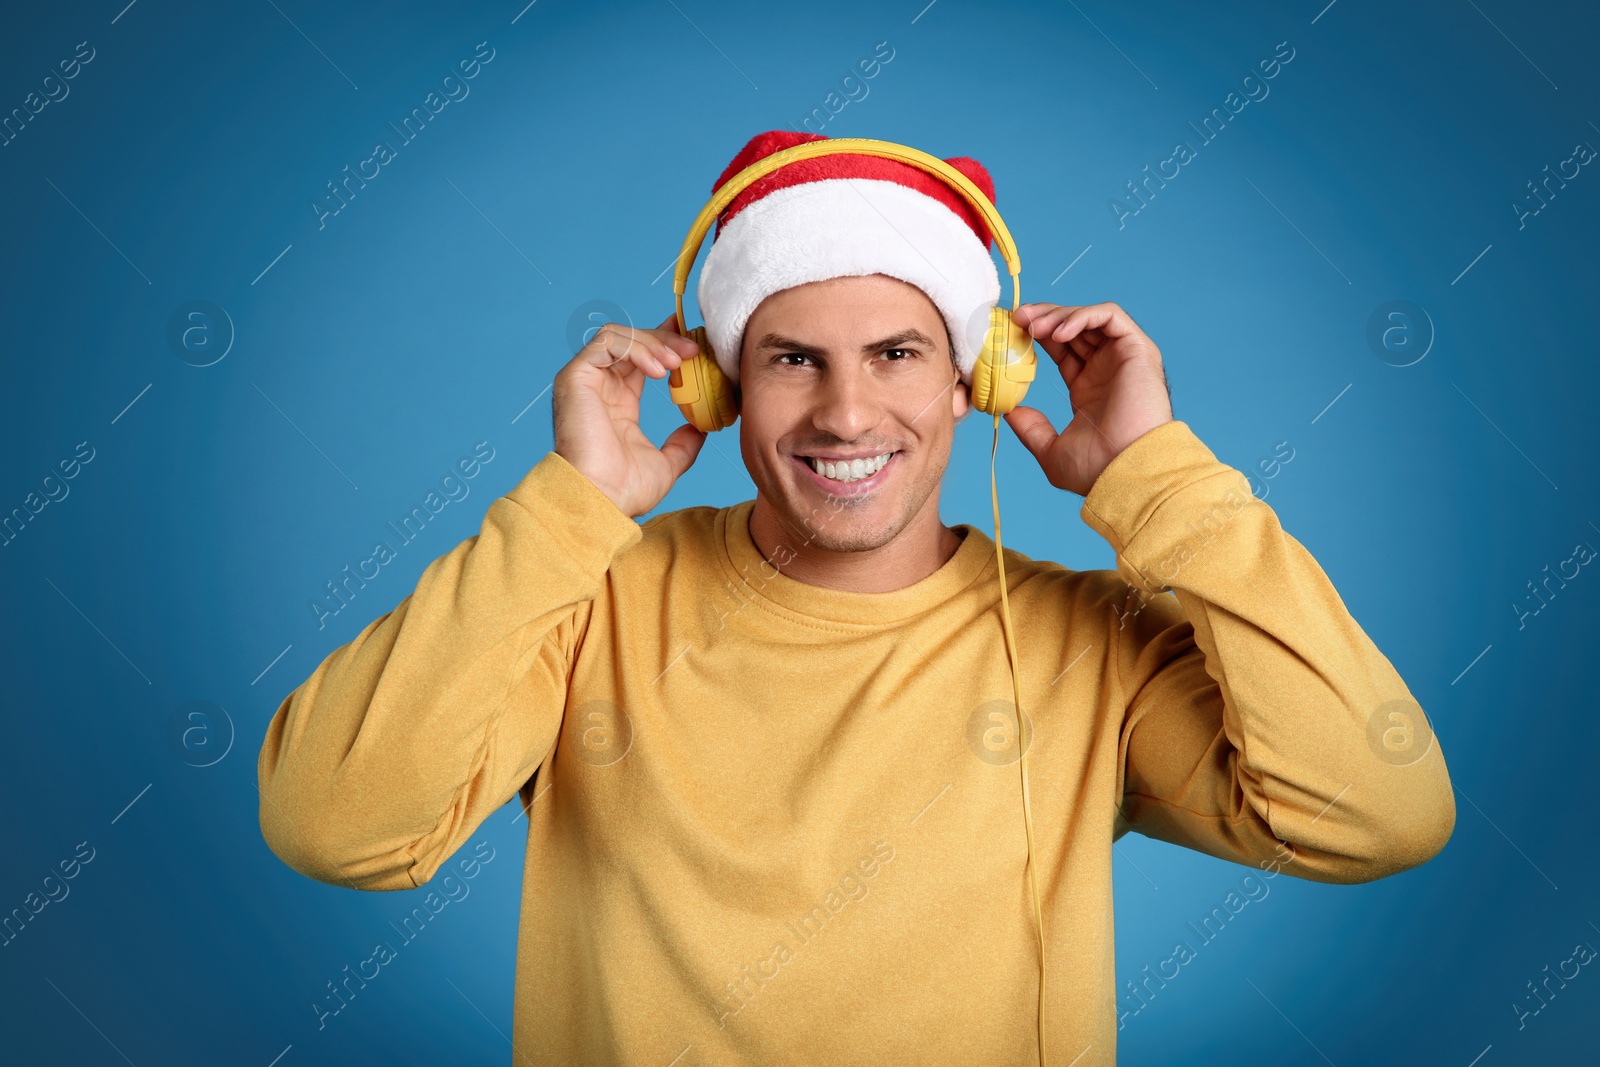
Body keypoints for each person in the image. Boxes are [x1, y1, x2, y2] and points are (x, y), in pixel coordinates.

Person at [258, 130, 1455, 1065]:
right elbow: (336, 823)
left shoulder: (1091, 646)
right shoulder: (584, 599)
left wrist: (1163, 485)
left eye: (896, 352)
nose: (844, 413)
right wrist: (571, 506)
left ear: (971, 381)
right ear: (721, 387)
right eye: (792, 358)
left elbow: (1379, 811)